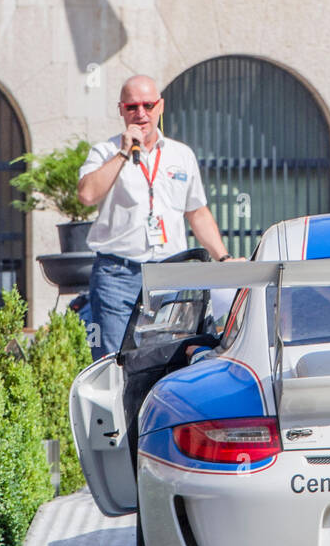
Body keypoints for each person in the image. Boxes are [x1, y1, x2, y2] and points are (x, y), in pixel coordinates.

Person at [78, 75, 237, 359]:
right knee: (115, 360)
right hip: (119, 275)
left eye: (148, 105)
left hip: (171, 273)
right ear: (121, 110)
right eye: (132, 107)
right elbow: (87, 194)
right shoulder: (105, 151)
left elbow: (196, 211)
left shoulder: (181, 155)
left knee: (171, 358)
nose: (141, 114)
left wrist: (223, 258)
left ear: (160, 106)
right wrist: (123, 154)